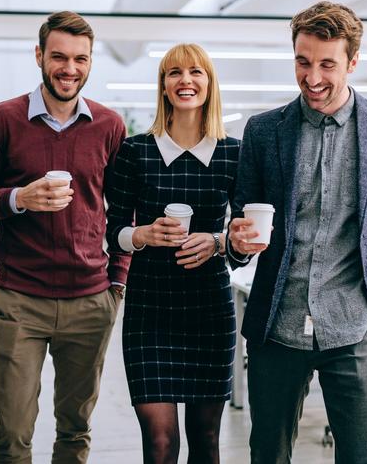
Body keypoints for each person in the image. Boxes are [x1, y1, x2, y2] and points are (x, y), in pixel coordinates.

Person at [227, 1, 367, 464]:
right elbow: (239, 225)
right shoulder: (264, 132)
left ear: (353, 61)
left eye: (327, 64)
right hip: (277, 326)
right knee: (267, 454)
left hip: (359, 328)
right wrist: (236, 243)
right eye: (303, 62)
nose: (312, 77)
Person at [0, 11, 130, 464]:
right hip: (21, 298)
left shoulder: (109, 126)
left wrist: (117, 282)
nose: (70, 68)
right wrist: (19, 198)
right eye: (59, 57)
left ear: (90, 61)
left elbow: (124, 211)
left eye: (80, 59)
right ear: (39, 55)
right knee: (12, 429)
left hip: (90, 300)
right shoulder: (3, 120)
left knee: (75, 428)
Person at [106, 43, 239, 464]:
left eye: (196, 72)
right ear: (163, 86)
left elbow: (245, 242)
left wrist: (217, 241)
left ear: (209, 84)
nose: (185, 80)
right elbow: (114, 234)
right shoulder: (135, 151)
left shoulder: (233, 153)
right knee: (160, 443)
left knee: (206, 438)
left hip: (209, 309)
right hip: (150, 310)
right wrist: (142, 234)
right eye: (174, 73)